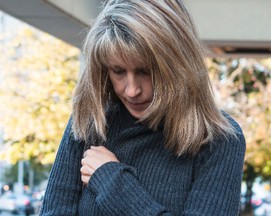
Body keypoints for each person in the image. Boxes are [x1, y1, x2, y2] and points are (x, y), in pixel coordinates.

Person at [40, 0, 246, 215]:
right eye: (118, 71)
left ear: (177, 65)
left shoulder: (219, 139)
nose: (131, 90)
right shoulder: (91, 121)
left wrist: (111, 180)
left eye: (145, 71)